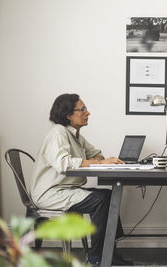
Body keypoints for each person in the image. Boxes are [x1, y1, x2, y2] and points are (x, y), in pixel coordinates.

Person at [30, 93, 132, 266]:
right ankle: (97, 257)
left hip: (66, 190)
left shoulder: (75, 135)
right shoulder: (58, 133)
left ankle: (108, 252)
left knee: (108, 196)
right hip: (51, 193)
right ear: (68, 115)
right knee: (100, 200)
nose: (88, 113)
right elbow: (64, 164)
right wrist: (98, 162)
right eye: (82, 109)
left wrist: (102, 159)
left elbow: (95, 154)